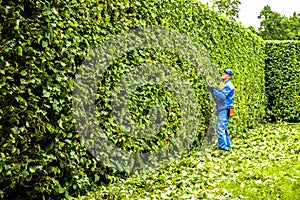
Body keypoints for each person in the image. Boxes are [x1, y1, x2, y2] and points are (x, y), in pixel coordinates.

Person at [207, 69, 235, 151]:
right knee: (224, 128)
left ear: (229, 76)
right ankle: (228, 146)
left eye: (226, 73)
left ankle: (223, 149)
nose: (223, 73)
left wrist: (213, 90)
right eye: (224, 72)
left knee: (220, 128)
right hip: (222, 108)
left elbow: (222, 96)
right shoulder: (223, 84)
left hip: (224, 108)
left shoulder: (229, 85)